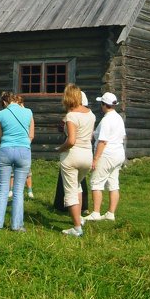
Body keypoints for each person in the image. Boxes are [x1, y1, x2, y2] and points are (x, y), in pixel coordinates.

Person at [56, 84, 95, 237]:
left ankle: (77, 228)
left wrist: (60, 149)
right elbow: (90, 136)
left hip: (72, 155)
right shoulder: (91, 114)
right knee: (77, 186)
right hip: (87, 155)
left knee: (70, 192)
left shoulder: (71, 116)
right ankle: (78, 219)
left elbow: (71, 140)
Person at [0, 91, 34, 232]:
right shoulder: (28, 112)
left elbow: (1, 136)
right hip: (23, 151)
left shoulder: (1, 114)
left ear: (5, 102)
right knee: (18, 191)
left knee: (3, 188)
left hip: (5, 150)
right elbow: (32, 135)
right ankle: (16, 225)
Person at [85, 92, 126, 222]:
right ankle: (110, 213)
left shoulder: (106, 120)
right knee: (114, 184)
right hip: (119, 153)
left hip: (107, 154)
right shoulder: (118, 118)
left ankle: (96, 213)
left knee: (96, 182)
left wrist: (95, 159)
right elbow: (122, 136)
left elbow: (103, 141)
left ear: (104, 104)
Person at [8, 94, 33, 200]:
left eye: (19, 102)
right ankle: (11, 190)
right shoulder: (13, 113)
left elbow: (31, 130)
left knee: (27, 170)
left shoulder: (27, 112)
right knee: (12, 170)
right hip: (15, 144)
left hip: (24, 144)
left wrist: (28, 142)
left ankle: (29, 190)